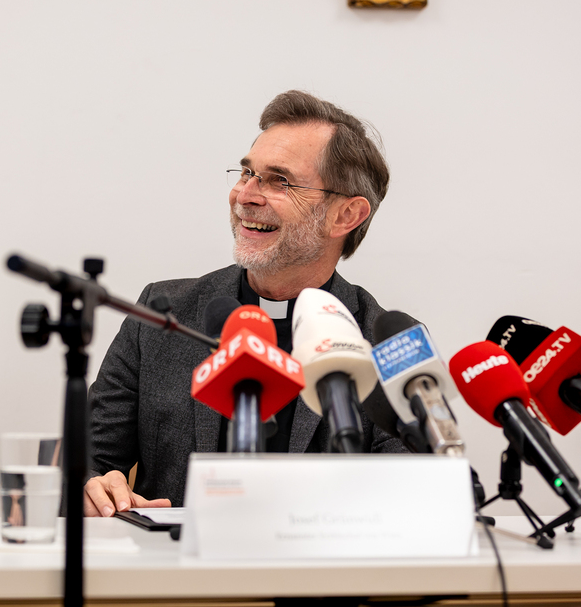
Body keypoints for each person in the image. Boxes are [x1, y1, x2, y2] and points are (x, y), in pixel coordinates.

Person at [84, 90, 405, 518]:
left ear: (346, 215)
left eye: (279, 181)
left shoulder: (387, 343)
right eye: (247, 173)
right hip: (176, 560)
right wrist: (95, 486)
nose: (245, 195)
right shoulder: (162, 316)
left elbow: (411, 493)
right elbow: (88, 461)